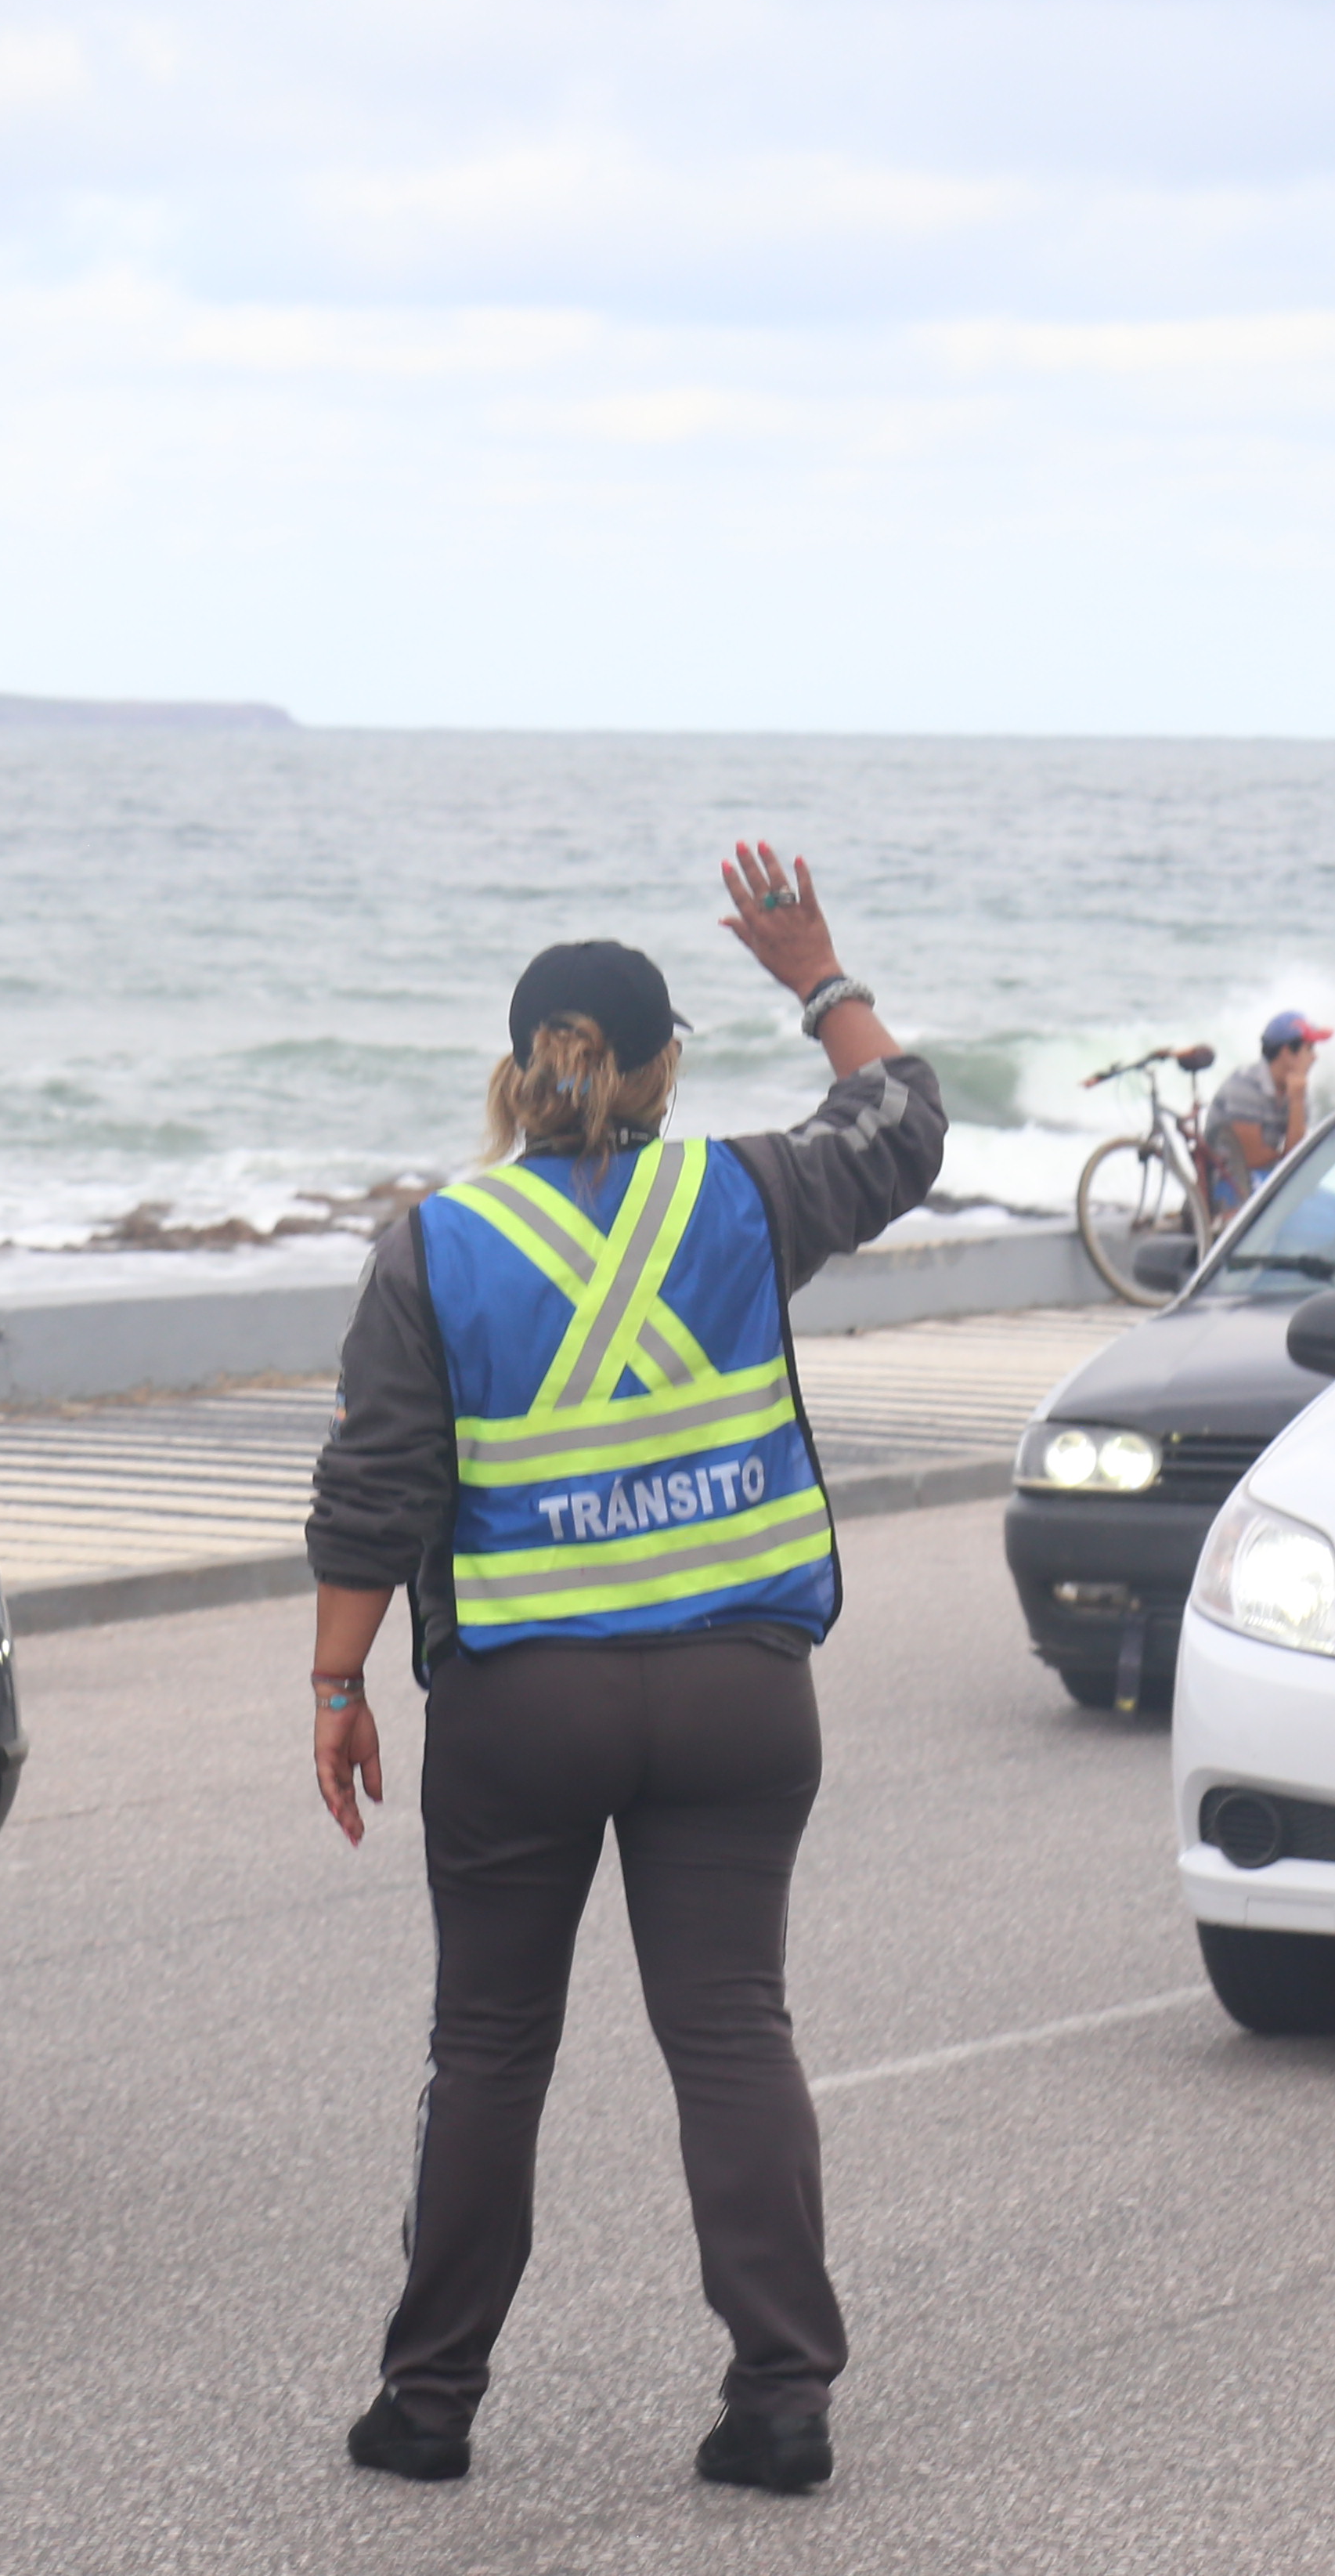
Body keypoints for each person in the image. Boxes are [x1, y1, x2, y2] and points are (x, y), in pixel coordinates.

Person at [303, 840, 943, 2498]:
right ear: (664, 1072)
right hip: (738, 1690)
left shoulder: (438, 1244)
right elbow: (903, 1124)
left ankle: (429, 2402)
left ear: (515, 1071)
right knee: (732, 2032)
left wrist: (337, 1685)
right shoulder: (743, 1194)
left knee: (489, 2049)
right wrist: (817, 974)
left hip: (524, 1706)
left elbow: (376, 1485)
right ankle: (781, 2398)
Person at [1207, 1010, 1332, 1212]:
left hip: (1267, 1175)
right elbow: (1251, 1158)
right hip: (1231, 1181)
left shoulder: (1295, 1089)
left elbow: (1293, 1156)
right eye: (1309, 1048)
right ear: (1287, 1053)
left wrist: (1297, 1101)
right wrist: (1285, 1158)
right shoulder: (1245, 1085)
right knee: (1311, 1216)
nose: (1314, 1057)